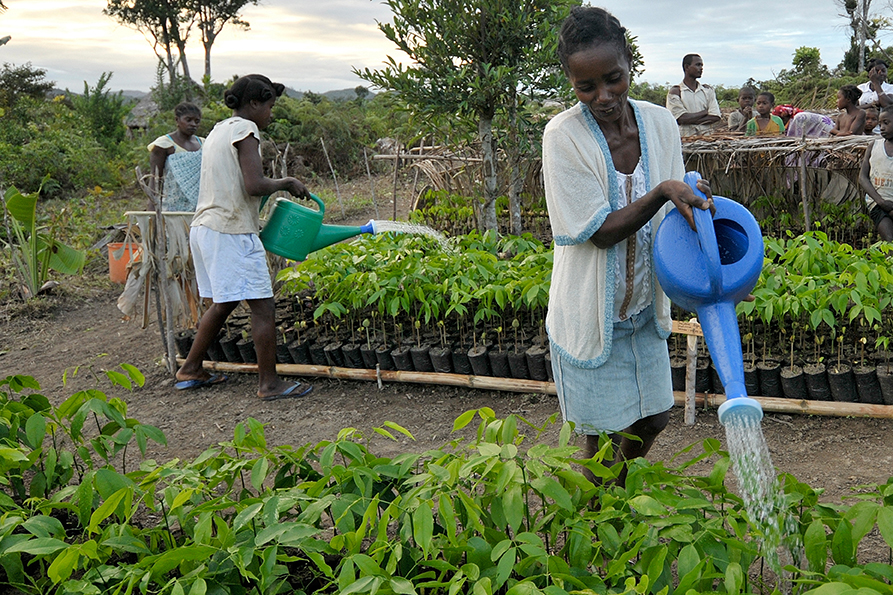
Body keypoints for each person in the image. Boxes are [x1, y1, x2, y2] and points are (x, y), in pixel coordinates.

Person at [543, 6, 713, 487]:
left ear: (630, 65)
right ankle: (598, 522)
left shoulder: (660, 124)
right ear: (571, 83)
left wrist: (708, 264)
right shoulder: (563, 136)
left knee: (655, 417)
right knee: (600, 436)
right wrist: (660, 190)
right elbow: (598, 231)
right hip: (593, 315)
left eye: (613, 79)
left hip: (642, 307)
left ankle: (616, 491)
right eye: (587, 87)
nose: (603, 96)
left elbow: (675, 210)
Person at [175, 74, 314, 400]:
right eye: (269, 106)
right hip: (229, 230)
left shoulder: (219, 130)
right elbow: (254, 184)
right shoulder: (245, 130)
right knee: (263, 308)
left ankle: (190, 368)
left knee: (223, 303)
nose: (270, 113)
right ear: (254, 103)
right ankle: (269, 384)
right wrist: (287, 182)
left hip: (205, 227)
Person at [147, 102, 204, 211]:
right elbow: (155, 178)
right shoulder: (164, 144)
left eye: (197, 121)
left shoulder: (204, 144)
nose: (193, 124)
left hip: (200, 207)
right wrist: (152, 209)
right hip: (172, 206)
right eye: (188, 120)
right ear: (177, 120)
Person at [666, 53, 722, 137]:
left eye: (701, 65)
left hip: (707, 140)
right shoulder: (676, 92)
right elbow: (680, 119)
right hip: (684, 140)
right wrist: (705, 112)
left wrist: (690, 119)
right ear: (687, 67)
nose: (701, 68)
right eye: (697, 65)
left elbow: (715, 117)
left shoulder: (708, 91)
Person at [859, 105, 893, 241]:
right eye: (880, 124)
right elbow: (862, 178)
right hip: (877, 204)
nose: (882, 127)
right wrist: (880, 201)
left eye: (886, 123)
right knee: (889, 241)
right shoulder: (874, 146)